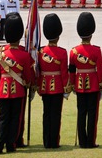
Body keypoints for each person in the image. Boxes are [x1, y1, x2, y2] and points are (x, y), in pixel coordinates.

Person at [0, 13, 35, 155]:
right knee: (15, 119)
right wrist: (29, 83)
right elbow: (27, 77)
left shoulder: (0, 53)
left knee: (3, 118)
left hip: (2, 89)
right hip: (18, 90)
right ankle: (11, 144)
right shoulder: (24, 55)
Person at [70, 12, 102, 148]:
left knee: (81, 112)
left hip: (79, 84)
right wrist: (101, 85)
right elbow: (100, 70)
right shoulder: (96, 51)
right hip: (94, 84)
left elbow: (72, 70)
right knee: (92, 114)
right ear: (91, 33)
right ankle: (90, 141)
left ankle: (82, 141)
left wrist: (72, 84)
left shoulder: (73, 52)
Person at [37, 13, 69, 149]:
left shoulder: (40, 51)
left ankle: (46, 141)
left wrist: (38, 86)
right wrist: (66, 89)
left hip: (44, 86)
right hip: (57, 87)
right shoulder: (61, 52)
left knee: (46, 114)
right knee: (55, 115)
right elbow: (63, 73)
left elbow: (38, 71)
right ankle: (54, 141)